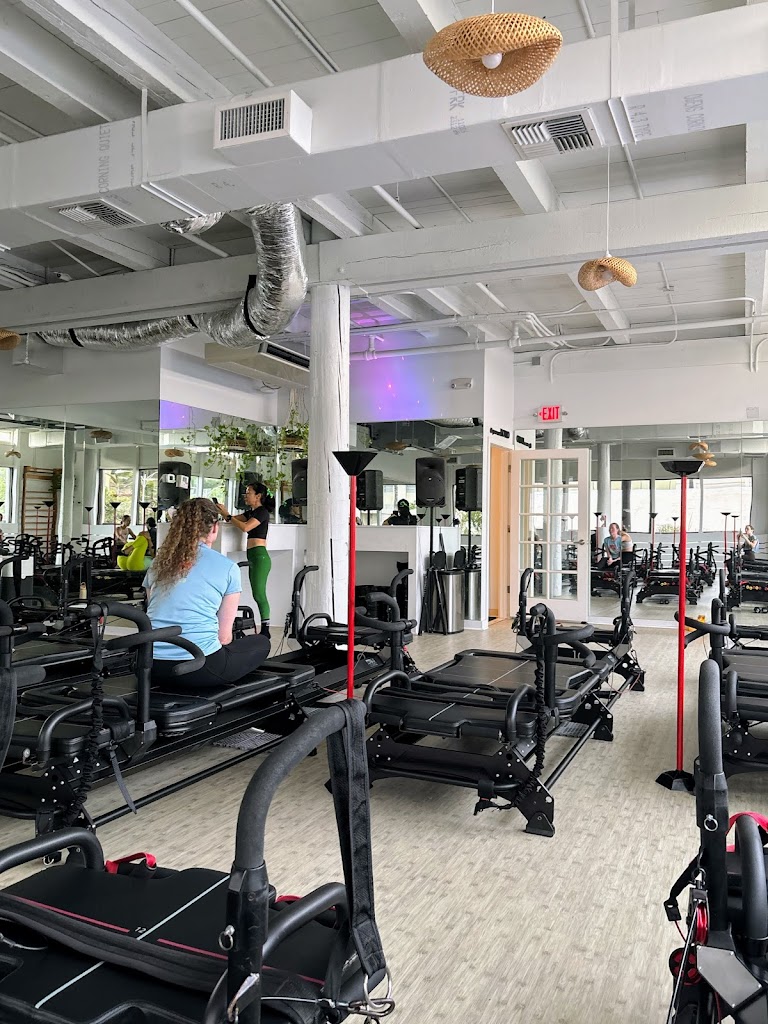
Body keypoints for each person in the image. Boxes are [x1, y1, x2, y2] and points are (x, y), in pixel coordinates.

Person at [143, 497, 270, 687]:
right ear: (214, 528)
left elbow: (153, 609)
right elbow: (224, 638)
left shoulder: (158, 564)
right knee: (262, 643)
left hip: (150, 666)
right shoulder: (228, 568)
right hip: (198, 668)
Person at [216, 483, 273, 639]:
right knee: (256, 593)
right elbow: (233, 520)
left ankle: (266, 628)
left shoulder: (262, 512)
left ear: (258, 496)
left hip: (260, 556)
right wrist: (223, 513)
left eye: (248, 493)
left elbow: (246, 527)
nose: (245, 495)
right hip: (253, 556)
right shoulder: (251, 512)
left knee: (259, 594)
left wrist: (228, 515)